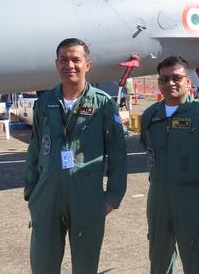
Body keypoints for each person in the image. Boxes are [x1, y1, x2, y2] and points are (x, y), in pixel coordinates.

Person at [24, 38, 127, 274]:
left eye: (76, 60)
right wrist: (31, 191)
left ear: (87, 65)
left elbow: (118, 154)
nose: (69, 65)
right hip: (47, 195)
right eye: (64, 60)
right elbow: (35, 148)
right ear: (56, 64)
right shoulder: (45, 102)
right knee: (42, 264)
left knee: (85, 265)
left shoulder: (102, 104)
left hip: (87, 196)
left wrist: (112, 197)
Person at [140, 55, 199, 274]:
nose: (170, 83)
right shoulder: (150, 115)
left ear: (188, 81)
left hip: (195, 198)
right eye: (164, 79)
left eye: (176, 78)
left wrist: (197, 183)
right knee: (159, 256)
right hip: (159, 197)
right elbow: (147, 145)